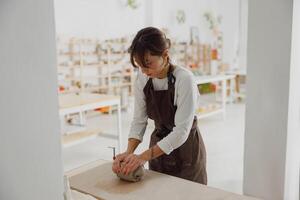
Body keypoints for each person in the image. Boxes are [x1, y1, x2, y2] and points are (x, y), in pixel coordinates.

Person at [112, 27, 207, 184]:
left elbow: (181, 132)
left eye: (148, 64)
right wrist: (129, 155)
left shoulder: (184, 80)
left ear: (165, 55)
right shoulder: (143, 80)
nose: (143, 71)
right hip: (157, 152)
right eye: (139, 65)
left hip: (186, 152)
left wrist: (143, 157)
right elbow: (139, 120)